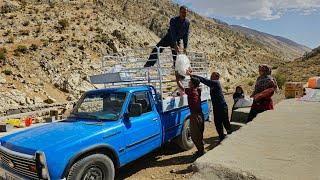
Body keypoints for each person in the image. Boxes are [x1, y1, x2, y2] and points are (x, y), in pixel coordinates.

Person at [187, 69, 232, 142]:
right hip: (216, 107)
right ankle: (221, 138)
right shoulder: (213, 83)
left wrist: (192, 75)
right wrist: (192, 77)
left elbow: (204, 80)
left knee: (225, 122)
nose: (210, 76)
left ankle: (231, 135)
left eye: (212, 75)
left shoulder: (216, 83)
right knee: (218, 123)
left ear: (216, 77)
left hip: (222, 106)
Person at [177, 76, 204, 156]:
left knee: (194, 135)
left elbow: (181, 87)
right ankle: (201, 150)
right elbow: (196, 82)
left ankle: (200, 152)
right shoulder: (198, 90)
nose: (188, 83)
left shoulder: (191, 91)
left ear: (192, 84)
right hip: (200, 114)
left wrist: (177, 79)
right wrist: (191, 75)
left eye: (190, 82)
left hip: (195, 115)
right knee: (199, 134)